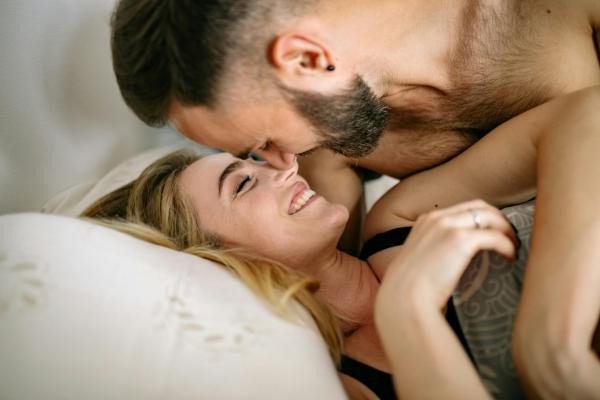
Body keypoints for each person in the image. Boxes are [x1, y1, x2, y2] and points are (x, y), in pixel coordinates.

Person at [109, 2, 600, 396]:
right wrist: (405, 310)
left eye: (261, 144)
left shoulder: (549, 14)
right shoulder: (334, 155)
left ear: (305, 59)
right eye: (251, 159)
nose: (284, 164)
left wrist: (548, 346)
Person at [81, 148, 521, 400]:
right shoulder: (350, 389)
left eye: (257, 160)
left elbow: (566, 122)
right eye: (243, 183)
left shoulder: (398, 217)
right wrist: (409, 308)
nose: (284, 168)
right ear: (217, 262)